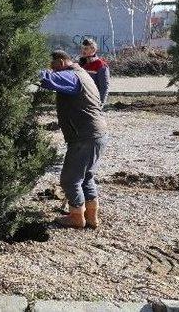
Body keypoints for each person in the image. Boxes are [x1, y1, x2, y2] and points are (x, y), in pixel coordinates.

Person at [40, 51, 108, 229]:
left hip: (84, 136)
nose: (53, 71)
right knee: (86, 177)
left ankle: (76, 217)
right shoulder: (82, 74)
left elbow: (47, 79)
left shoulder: (71, 76)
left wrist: (29, 69)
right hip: (97, 134)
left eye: (54, 67)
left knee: (70, 180)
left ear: (62, 62)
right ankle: (91, 217)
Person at [79, 38, 110, 106]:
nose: (83, 51)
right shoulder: (81, 64)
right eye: (82, 48)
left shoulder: (101, 65)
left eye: (86, 49)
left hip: (93, 101)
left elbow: (104, 87)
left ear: (93, 49)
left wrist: (100, 104)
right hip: (81, 102)